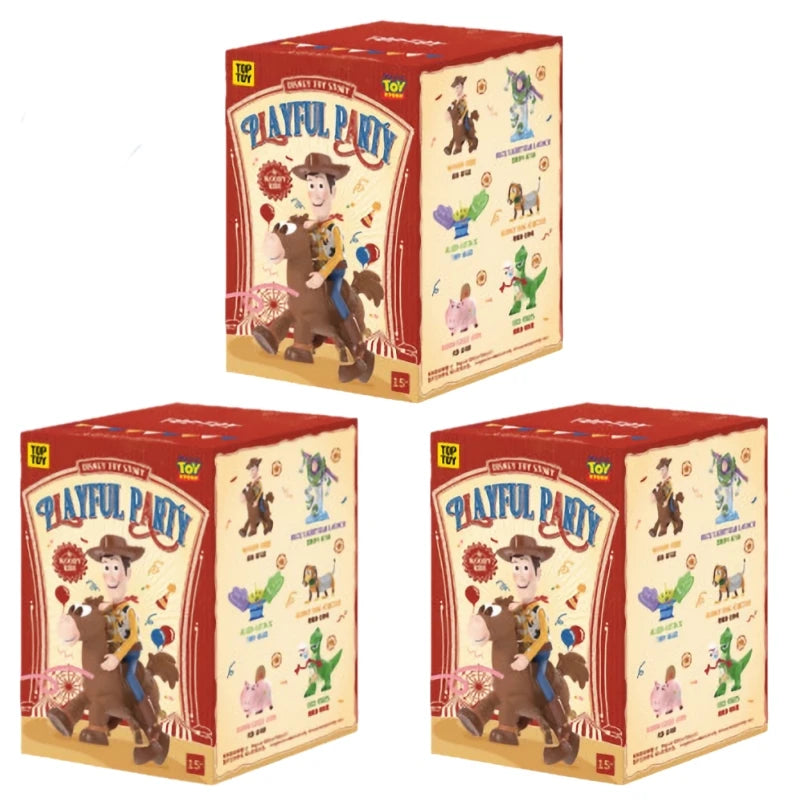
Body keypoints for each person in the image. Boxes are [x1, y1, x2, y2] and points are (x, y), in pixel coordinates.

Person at [496, 534, 577, 764]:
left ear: (537, 573)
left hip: (539, 653)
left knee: (540, 677)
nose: (520, 574)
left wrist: (527, 656)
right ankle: (516, 717)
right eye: (516, 568)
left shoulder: (538, 609)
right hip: (521, 652)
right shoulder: (516, 608)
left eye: (525, 567)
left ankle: (560, 721)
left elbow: (541, 638)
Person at [87, 534, 164, 762]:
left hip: (129, 653)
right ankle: (106, 718)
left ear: (127, 573)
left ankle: (150, 720)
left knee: (129, 677)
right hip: (110, 653)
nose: (110, 575)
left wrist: (117, 657)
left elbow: (131, 639)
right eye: (106, 567)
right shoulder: (106, 608)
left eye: (115, 567)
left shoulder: (128, 609)